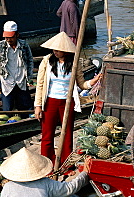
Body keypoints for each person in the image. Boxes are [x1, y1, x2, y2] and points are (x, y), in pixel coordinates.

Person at [34, 32, 102, 164]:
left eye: (58, 49)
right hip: (50, 102)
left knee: (66, 135)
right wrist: (38, 106)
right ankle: (47, 163)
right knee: (47, 136)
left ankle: (66, 164)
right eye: (54, 49)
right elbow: (40, 84)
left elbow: (82, 84)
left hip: (67, 102)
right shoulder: (47, 61)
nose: (55, 51)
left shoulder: (75, 63)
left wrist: (93, 81)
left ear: (65, 50)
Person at [0, 21, 34, 111]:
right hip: (7, 82)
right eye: (6, 37)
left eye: (11, 37)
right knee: (7, 109)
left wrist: (29, 75)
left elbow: (30, 60)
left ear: (17, 35)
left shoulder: (24, 45)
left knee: (25, 107)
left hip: (21, 81)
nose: (8, 40)